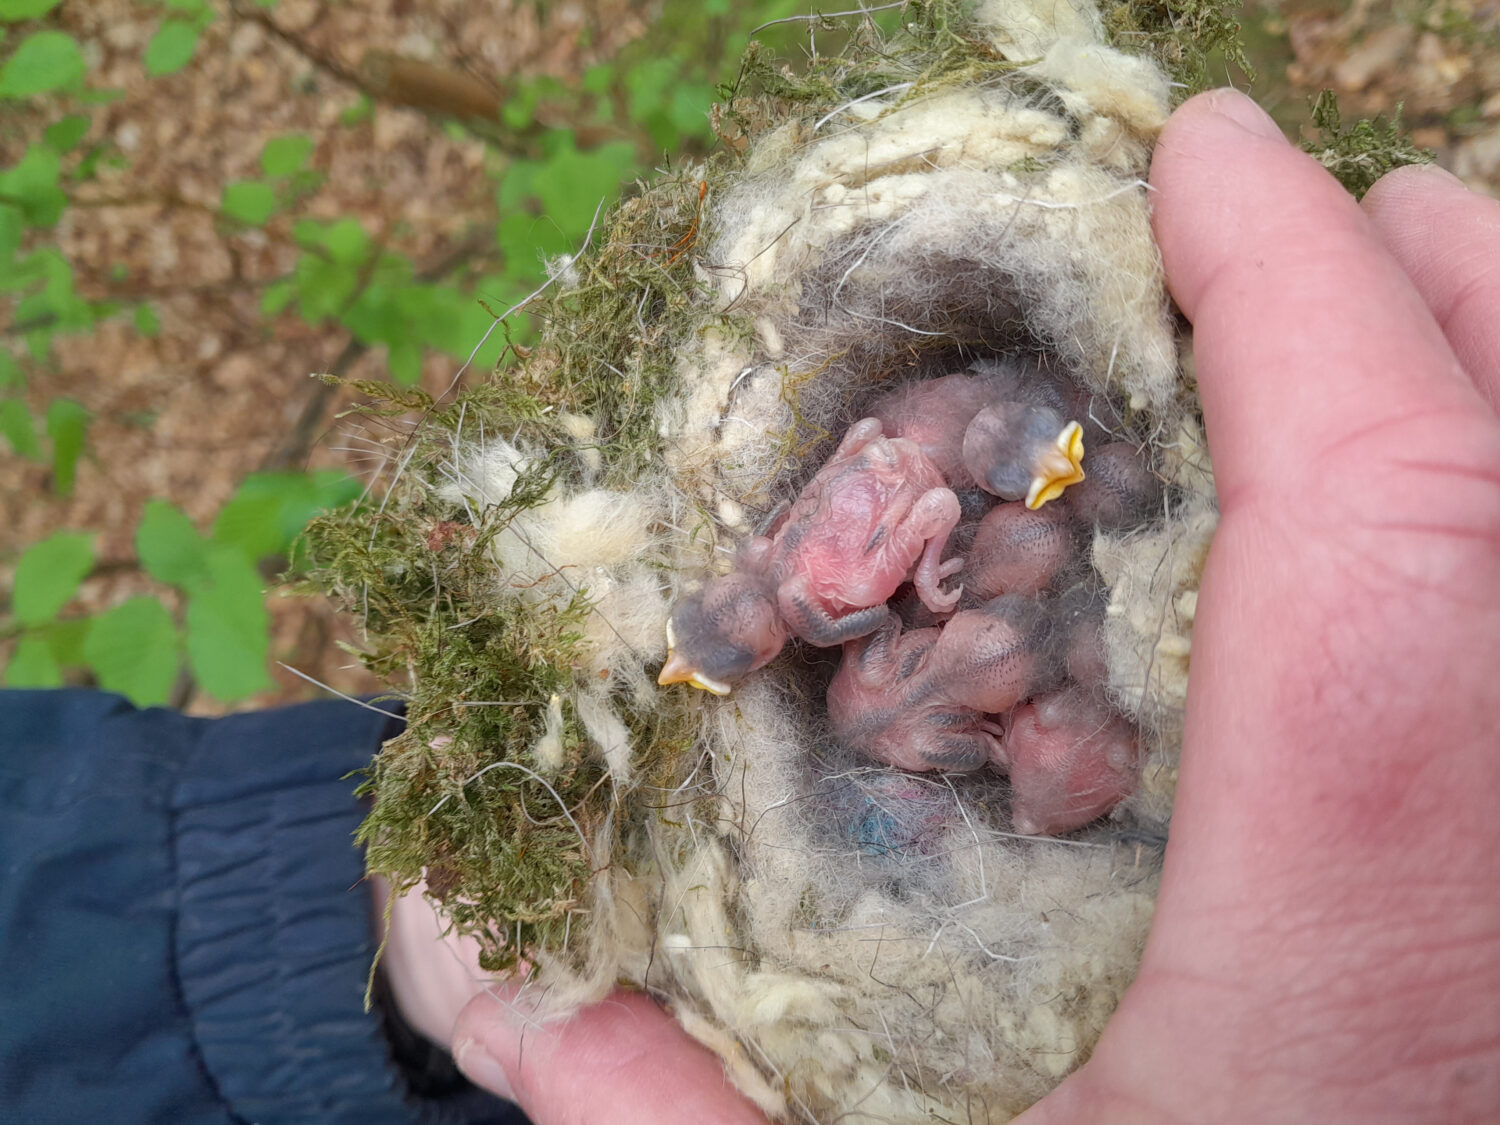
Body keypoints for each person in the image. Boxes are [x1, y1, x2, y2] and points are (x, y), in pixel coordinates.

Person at [404, 89, 1500, 1123]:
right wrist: (918, 592)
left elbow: (907, 487)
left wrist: (923, 590)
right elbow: (904, 488)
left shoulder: (870, 602)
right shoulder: (870, 608)